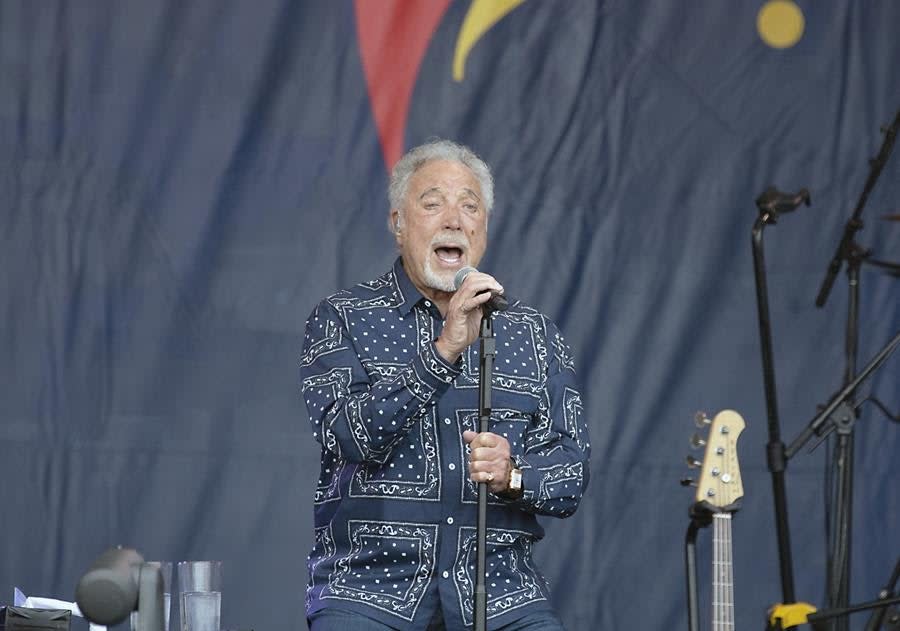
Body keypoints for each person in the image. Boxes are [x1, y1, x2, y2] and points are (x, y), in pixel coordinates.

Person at [300, 139, 590, 630]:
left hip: (502, 597)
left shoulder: (535, 334)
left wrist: (512, 474)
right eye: (433, 203)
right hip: (371, 593)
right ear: (398, 224)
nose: (453, 219)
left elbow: (571, 476)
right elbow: (349, 435)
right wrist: (444, 351)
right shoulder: (342, 318)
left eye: (469, 206)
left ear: (483, 230)